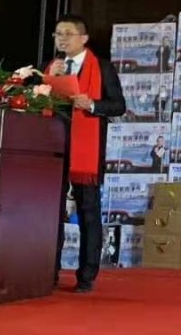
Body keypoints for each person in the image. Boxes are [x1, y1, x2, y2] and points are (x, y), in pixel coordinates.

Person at [49, 15, 126, 293]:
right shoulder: (52, 66)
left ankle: (86, 275)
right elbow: (37, 101)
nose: (62, 39)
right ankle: (48, 272)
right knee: (50, 211)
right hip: (54, 147)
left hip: (86, 150)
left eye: (68, 33)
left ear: (83, 38)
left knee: (88, 211)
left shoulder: (102, 67)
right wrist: (49, 80)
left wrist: (92, 105)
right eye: (58, 34)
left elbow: (118, 105)